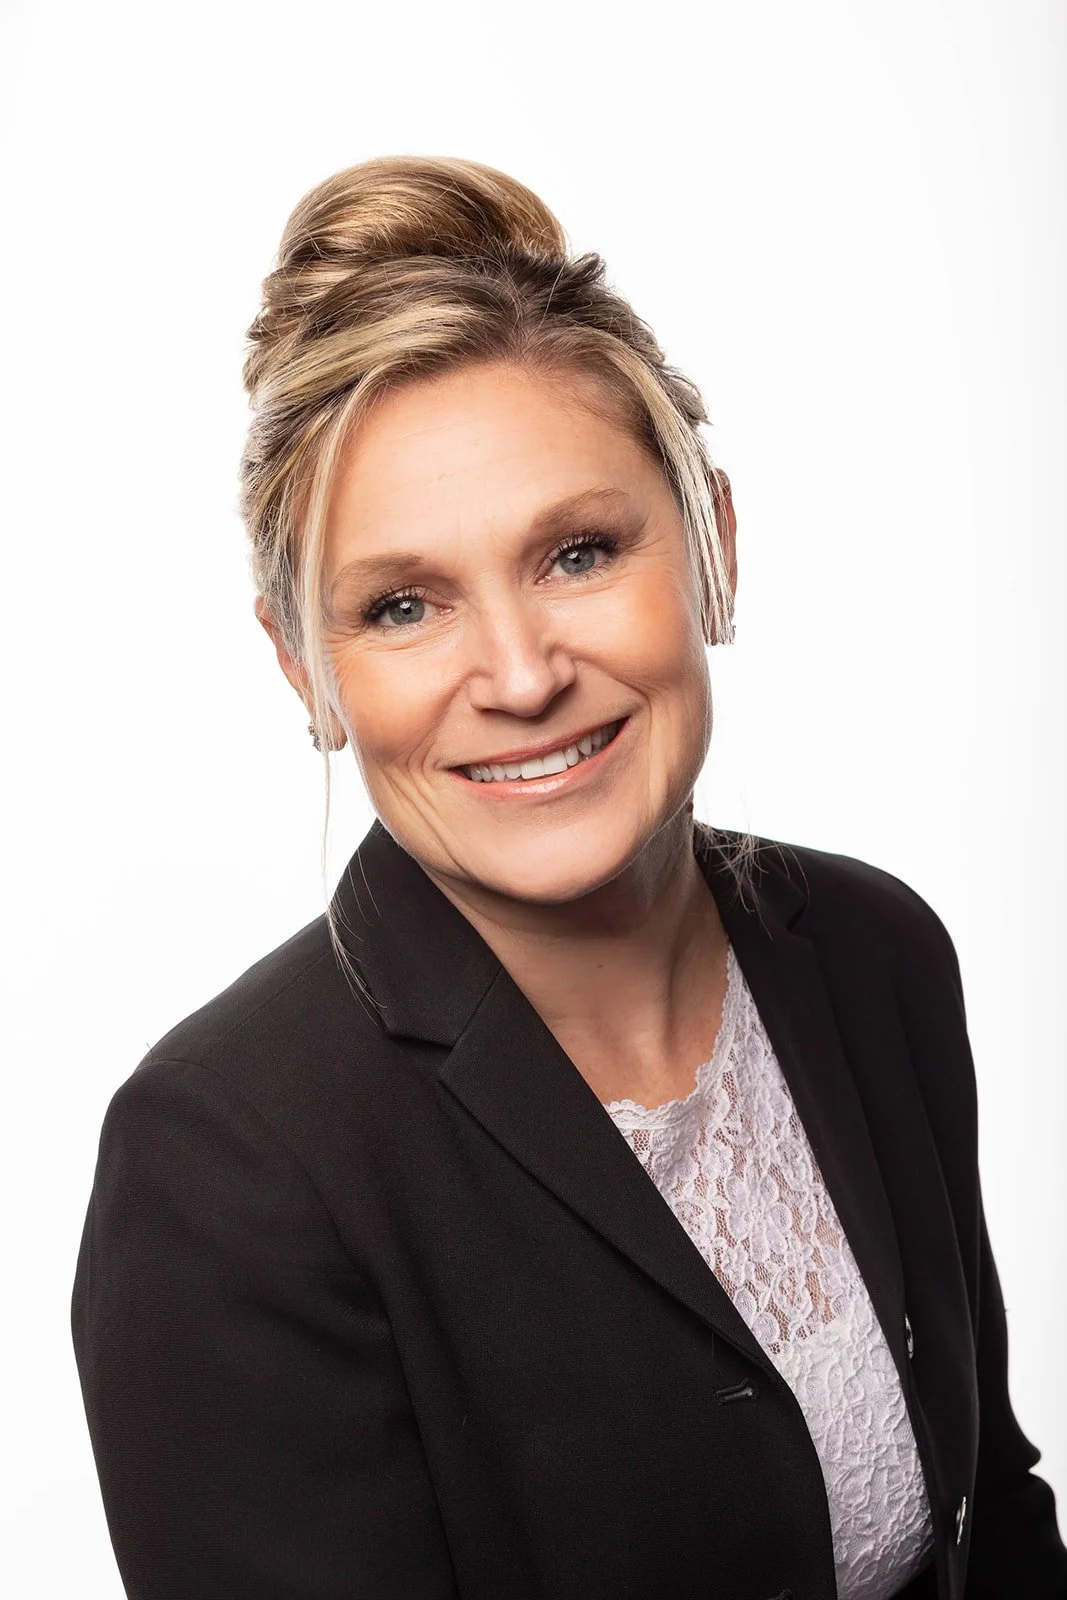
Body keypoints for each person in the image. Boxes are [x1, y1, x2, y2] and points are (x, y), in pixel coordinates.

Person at [70, 155, 1067, 1600]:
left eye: (579, 552)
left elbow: (990, 1508)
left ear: (714, 544)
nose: (522, 675)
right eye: (401, 606)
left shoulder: (872, 950)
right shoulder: (224, 1170)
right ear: (305, 670)